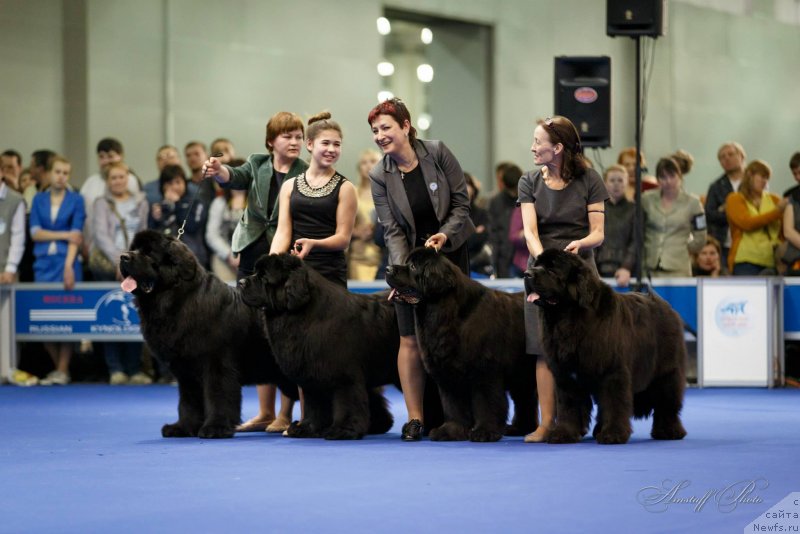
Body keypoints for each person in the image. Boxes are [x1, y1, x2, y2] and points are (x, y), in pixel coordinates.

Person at [368, 97, 475, 441]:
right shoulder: (378, 175)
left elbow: (461, 202)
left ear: (406, 126)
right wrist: (401, 275)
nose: (380, 135)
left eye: (386, 128)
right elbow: (392, 230)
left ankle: (462, 414)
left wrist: (446, 234)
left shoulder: (438, 152)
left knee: (456, 336)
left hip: (451, 258)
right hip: (411, 265)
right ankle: (415, 418)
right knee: (409, 339)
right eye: (374, 131)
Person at [203, 111, 308, 433]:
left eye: (298, 136)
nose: (294, 142)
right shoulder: (258, 164)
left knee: (285, 331)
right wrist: (219, 170)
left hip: (286, 256)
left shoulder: (307, 171)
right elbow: (233, 177)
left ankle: (286, 414)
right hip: (251, 252)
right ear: (271, 141)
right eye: (287, 136)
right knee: (254, 330)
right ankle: (264, 412)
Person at [518, 116, 607, 443]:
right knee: (544, 350)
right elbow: (530, 230)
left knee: (591, 349)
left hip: (579, 274)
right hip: (541, 271)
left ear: (557, 148)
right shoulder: (528, 181)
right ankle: (546, 423)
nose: (532, 147)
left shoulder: (590, 180)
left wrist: (580, 244)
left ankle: (598, 420)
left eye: (538, 142)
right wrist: (544, 261)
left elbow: (598, 233)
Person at [90, 161, 150, 384]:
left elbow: (143, 232)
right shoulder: (101, 203)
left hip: (135, 266)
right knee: (110, 316)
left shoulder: (141, 202)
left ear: (128, 178)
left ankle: (134, 369)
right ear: (108, 181)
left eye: (121, 177)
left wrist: (133, 263)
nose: (118, 181)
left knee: (135, 315)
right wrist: (119, 262)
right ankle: (115, 369)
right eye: (113, 177)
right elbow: (101, 236)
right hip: (108, 267)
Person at [29, 156, 86, 386]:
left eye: (65, 173)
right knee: (44, 317)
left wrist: (68, 267)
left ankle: (62, 370)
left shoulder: (77, 200)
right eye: (58, 172)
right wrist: (63, 235)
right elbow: (35, 233)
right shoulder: (38, 199)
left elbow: (77, 234)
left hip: (67, 263)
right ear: (49, 174)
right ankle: (58, 368)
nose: (61, 176)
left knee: (67, 317)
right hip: (42, 263)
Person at [641, 157, 707, 277]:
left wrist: (685, 249)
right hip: (649, 267)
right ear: (657, 179)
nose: (668, 181)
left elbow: (701, 236)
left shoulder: (693, 203)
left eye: (672, 176)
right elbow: (639, 230)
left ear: (680, 177)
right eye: (663, 177)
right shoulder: (646, 199)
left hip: (679, 268)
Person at [80, 138, 141, 256]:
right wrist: (85, 243)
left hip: (127, 247)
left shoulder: (131, 181)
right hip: (96, 248)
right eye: (102, 156)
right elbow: (84, 217)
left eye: (111, 156)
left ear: (121, 156)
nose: (106, 161)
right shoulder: (89, 183)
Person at [725, 159, 786, 275]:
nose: (765, 181)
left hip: (772, 260)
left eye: (767, 178)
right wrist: (777, 211)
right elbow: (747, 223)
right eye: (762, 177)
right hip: (745, 260)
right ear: (749, 175)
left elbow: (783, 230)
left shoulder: (775, 199)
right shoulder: (735, 199)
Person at [149, 164, 209, 268]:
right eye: (169, 183)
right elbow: (150, 234)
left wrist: (177, 203)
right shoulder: (158, 206)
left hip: (192, 259)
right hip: (163, 262)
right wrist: (154, 218)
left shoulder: (197, 203)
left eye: (178, 182)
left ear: (185, 184)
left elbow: (192, 225)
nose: (174, 187)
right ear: (162, 186)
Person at [705, 141, 746, 267]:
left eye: (730, 154)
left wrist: (725, 209)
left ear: (741, 156)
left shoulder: (753, 183)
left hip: (749, 244)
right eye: (722, 157)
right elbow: (709, 214)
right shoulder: (716, 186)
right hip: (724, 244)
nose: (726, 159)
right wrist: (735, 213)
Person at [206, 158, 246, 282]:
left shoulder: (257, 202)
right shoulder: (219, 203)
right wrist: (229, 255)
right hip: (223, 260)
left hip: (250, 259)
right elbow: (211, 235)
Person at [594, 164, 635, 286]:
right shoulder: (596, 209)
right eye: (612, 180)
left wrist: (626, 267)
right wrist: (593, 269)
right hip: (599, 269)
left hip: (626, 272)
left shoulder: (635, 210)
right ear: (605, 183)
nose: (616, 184)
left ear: (626, 183)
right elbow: (592, 241)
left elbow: (636, 242)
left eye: (620, 180)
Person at [348, 149, 382, 281]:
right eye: (364, 162)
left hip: (383, 255)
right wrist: (357, 232)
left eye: (373, 161)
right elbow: (338, 226)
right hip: (359, 257)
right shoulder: (352, 192)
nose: (368, 165)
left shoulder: (389, 192)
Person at [487, 162, 522, 278]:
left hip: (524, 254)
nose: (514, 193)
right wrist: (495, 260)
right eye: (511, 190)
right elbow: (494, 233)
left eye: (515, 189)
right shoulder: (496, 202)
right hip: (504, 257)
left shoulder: (528, 198)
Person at [0, 165, 26, 284]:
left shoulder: (15, 200)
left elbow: (18, 237)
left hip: (5, 272)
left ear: (2, 173)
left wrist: (10, 268)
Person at [464, 172, 492, 277]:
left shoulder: (481, 213)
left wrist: (465, 235)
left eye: (468, 184)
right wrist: (474, 232)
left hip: (478, 267)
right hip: (456, 266)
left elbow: (484, 237)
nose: (465, 188)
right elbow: (454, 242)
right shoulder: (450, 213)